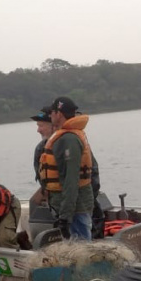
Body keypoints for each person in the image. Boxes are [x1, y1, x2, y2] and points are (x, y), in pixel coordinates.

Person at [40, 96, 95, 240]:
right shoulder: (63, 136)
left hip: (75, 209)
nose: (50, 114)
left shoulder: (69, 139)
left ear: (59, 113)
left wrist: (65, 216)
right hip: (66, 206)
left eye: (52, 111)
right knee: (73, 251)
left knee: (81, 251)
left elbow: (71, 179)